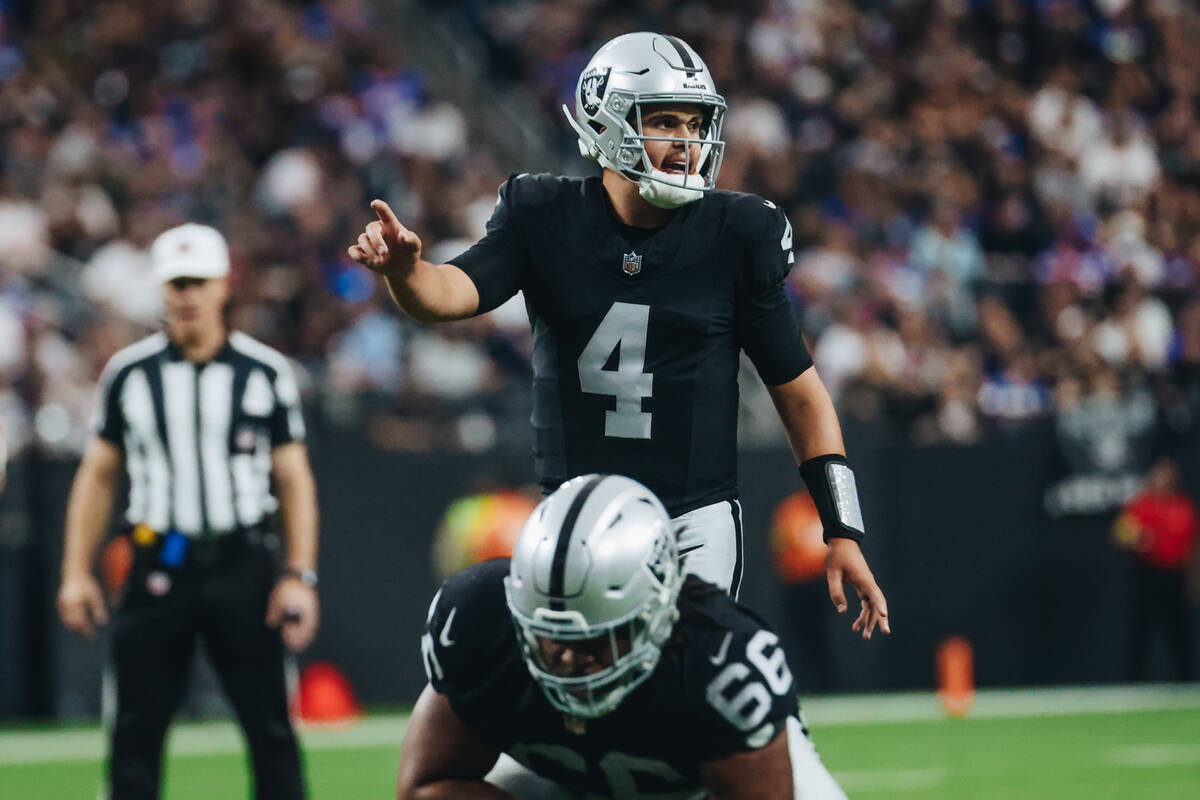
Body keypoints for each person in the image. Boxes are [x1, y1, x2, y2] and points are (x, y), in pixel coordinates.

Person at [348, 31, 888, 635]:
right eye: (665, 122)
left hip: (693, 520)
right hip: (578, 517)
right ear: (607, 124)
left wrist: (841, 529)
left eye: (694, 123)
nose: (686, 142)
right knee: (581, 699)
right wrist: (404, 271)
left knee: (688, 697)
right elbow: (449, 294)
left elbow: (800, 393)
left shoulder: (737, 235)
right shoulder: (543, 215)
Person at [55, 223, 320, 800]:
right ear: (161, 290)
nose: (188, 295)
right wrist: (75, 573)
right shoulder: (128, 374)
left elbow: (293, 478)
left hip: (243, 560)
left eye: (198, 281)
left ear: (224, 284)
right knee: (134, 733)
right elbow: (97, 476)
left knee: (272, 728)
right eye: (177, 283)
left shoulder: (264, 372)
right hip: (158, 561)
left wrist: (299, 575)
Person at [399, 474, 847, 800]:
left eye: (596, 640)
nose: (570, 660)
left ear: (654, 614)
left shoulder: (722, 664)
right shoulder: (482, 623)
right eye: (551, 637)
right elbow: (426, 788)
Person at [1113, 456, 1199, 681]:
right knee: (1140, 628)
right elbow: (1121, 532)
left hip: (1174, 575)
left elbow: (1192, 545)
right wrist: (1137, 540)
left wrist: (1194, 577)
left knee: (1178, 630)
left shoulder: (1183, 506)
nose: (1164, 478)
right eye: (1160, 474)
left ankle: (1186, 680)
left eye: (1168, 474)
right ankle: (1132, 680)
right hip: (1148, 574)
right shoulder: (1142, 504)